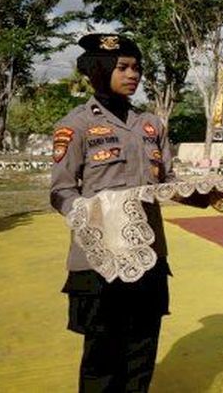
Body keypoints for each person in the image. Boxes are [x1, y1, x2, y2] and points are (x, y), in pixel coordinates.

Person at [48, 33, 175, 392]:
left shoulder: (152, 124)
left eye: (136, 68)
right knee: (102, 358)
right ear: (100, 70)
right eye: (123, 67)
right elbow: (60, 190)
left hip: (149, 254)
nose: (132, 74)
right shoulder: (76, 125)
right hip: (99, 259)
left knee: (142, 352)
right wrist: (91, 212)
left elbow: (168, 180)